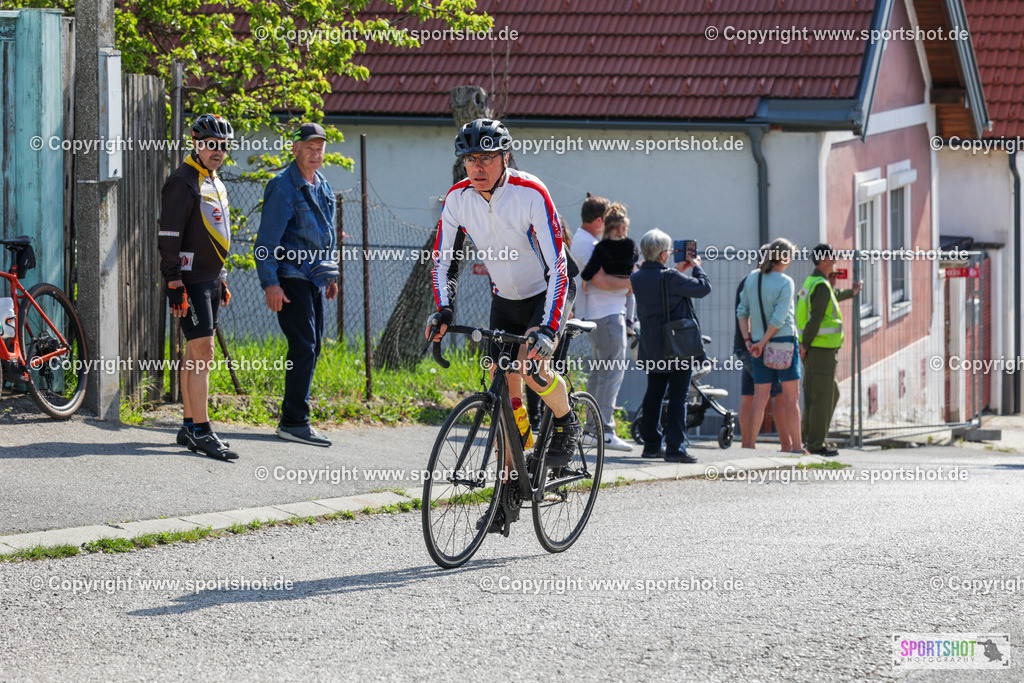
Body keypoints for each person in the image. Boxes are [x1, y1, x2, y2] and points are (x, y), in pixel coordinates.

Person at [426, 118, 578, 532]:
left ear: (504, 158)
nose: (477, 167)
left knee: (531, 368)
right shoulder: (458, 199)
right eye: (470, 159)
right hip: (505, 300)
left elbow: (558, 265)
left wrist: (546, 328)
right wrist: (443, 310)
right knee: (502, 388)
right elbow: (444, 260)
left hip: (547, 292)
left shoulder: (530, 193)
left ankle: (566, 420)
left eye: (487, 158)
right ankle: (510, 488)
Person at [254, 122, 339, 447]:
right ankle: (293, 421)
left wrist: (329, 275)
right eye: (309, 148)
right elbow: (265, 242)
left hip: (313, 279)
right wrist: (270, 284)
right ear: (296, 148)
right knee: (303, 346)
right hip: (289, 278)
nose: (315, 154)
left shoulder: (323, 185)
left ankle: (294, 419)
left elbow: (326, 234)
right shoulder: (283, 187)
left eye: (320, 148)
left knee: (313, 347)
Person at [159, 114, 238, 461]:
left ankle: (189, 424)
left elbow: (216, 234)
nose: (217, 151)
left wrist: (221, 277)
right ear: (196, 143)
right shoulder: (183, 181)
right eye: (211, 145)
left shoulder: (214, 180)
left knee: (195, 354)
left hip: (210, 280)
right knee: (204, 352)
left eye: (222, 146)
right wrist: (174, 280)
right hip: (188, 281)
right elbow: (169, 235)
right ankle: (203, 431)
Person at [630, 229, 711, 463]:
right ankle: (675, 447)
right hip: (676, 345)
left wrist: (677, 273)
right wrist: (696, 266)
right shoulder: (671, 278)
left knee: (654, 393)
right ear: (664, 254)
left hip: (652, 344)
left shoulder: (637, 277)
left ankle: (651, 445)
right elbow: (703, 288)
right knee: (678, 396)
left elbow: (660, 288)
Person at [572, 200, 636, 451]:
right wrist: (633, 283)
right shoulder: (590, 245)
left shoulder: (593, 244)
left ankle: (592, 428)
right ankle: (603, 429)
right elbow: (598, 280)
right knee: (611, 373)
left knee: (600, 373)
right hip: (608, 316)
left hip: (600, 316)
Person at [736, 238, 803, 452]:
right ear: (783, 257)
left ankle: (750, 446)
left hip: (756, 343)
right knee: (791, 399)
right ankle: (797, 448)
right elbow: (779, 319)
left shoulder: (753, 278)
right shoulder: (786, 282)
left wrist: (751, 341)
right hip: (784, 343)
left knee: (760, 398)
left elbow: (742, 312)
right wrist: (764, 341)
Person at [797, 243, 862, 457]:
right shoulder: (821, 286)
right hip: (820, 350)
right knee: (823, 395)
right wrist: (805, 345)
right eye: (832, 256)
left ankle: (808, 439)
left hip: (817, 350)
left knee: (821, 394)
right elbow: (815, 320)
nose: (835, 259)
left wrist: (851, 293)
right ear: (824, 259)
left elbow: (830, 297)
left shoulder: (814, 282)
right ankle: (815, 444)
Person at [733, 249, 787, 450]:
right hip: (758, 346)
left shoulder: (747, 280)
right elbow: (748, 315)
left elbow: (742, 313)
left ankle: (747, 444)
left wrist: (745, 341)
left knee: (749, 396)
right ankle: (788, 446)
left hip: (745, 345)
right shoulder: (758, 282)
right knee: (778, 394)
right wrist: (754, 342)